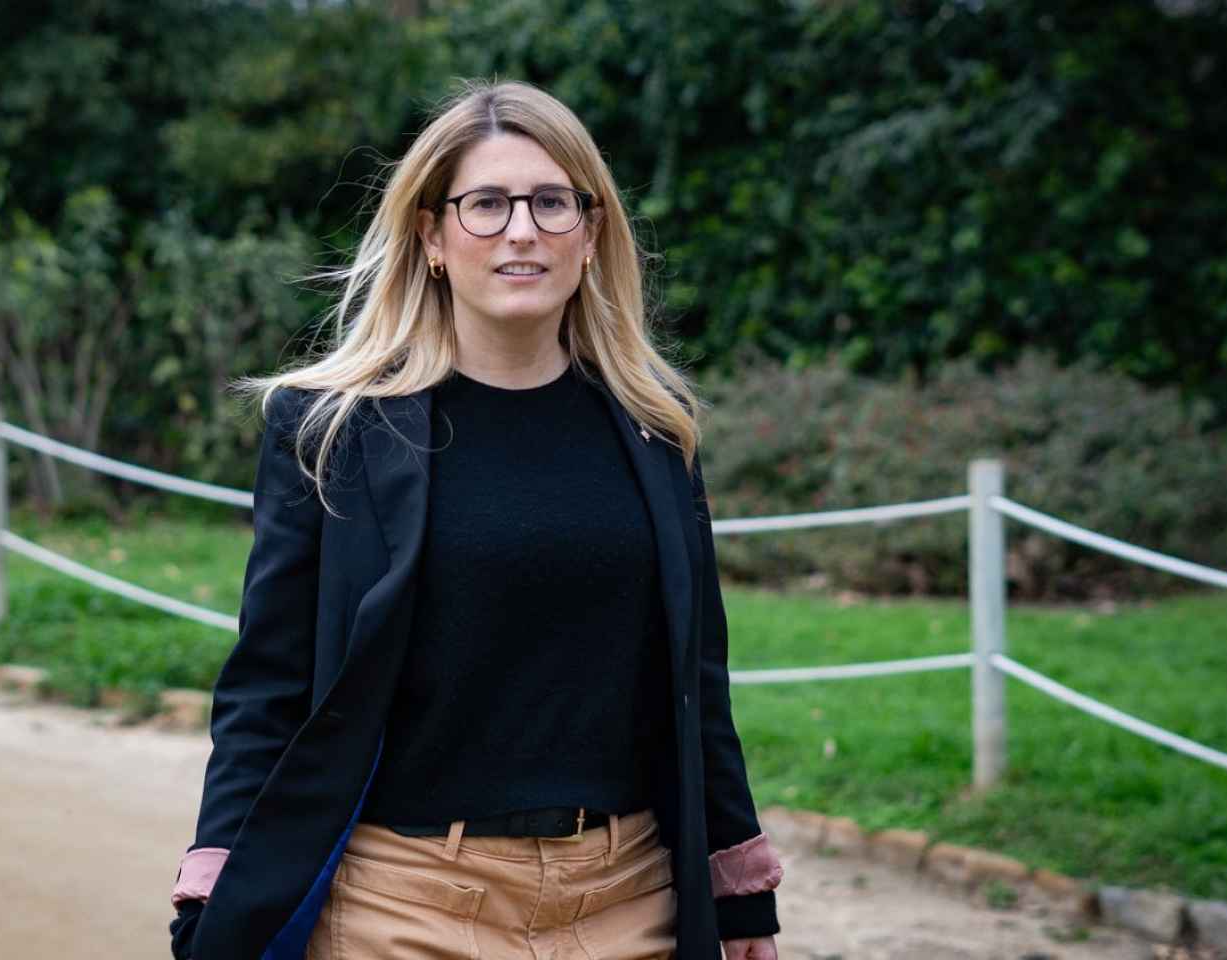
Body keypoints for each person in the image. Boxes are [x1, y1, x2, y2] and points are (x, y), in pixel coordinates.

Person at [168, 78, 783, 960]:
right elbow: (266, 686)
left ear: (592, 232)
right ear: (431, 238)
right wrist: (213, 887)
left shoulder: (658, 431)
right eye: (486, 204)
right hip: (405, 904)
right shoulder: (330, 429)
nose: (523, 230)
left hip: (630, 900)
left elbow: (698, 683)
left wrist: (739, 895)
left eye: (551, 203)